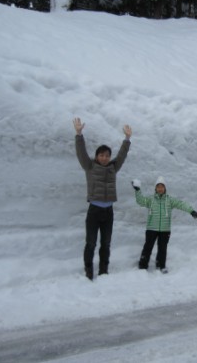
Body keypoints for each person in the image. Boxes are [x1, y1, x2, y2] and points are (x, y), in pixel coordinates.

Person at [73, 117, 132, 281]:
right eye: (101, 155)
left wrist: (127, 139)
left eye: (107, 155)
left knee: (106, 243)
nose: (105, 158)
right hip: (94, 210)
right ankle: (88, 270)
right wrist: (79, 134)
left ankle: (104, 270)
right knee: (91, 242)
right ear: (97, 156)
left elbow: (122, 156)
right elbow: (81, 153)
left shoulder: (114, 167)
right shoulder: (89, 166)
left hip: (108, 211)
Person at [132, 177, 197, 273]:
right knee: (148, 247)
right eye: (158, 187)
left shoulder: (169, 200)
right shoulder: (150, 200)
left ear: (165, 188)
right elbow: (140, 201)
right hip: (151, 228)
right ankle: (142, 266)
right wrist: (137, 190)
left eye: (162, 187)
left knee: (162, 248)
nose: (160, 189)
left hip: (165, 229)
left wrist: (191, 211)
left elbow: (181, 204)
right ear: (155, 189)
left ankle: (161, 266)